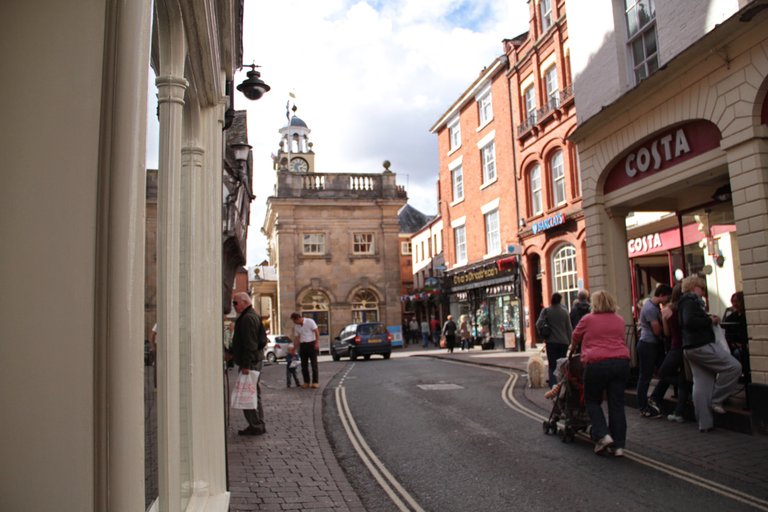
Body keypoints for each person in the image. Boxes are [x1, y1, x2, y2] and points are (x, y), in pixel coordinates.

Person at [570, 290, 630, 457]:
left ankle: (603, 435)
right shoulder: (619, 320)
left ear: (594, 304)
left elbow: (575, 336)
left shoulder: (588, 319)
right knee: (616, 404)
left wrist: (573, 347)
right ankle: (619, 446)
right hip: (621, 362)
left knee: (592, 401)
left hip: (596, 364)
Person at [679, 276, 742, 432]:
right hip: (701, 346)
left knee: (701, 384)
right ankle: (717, 399)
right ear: (695, 287)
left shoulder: (684, 302)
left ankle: (705, 423)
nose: (703, 292)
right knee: (734, 367)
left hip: (690, 347)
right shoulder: (690, 301)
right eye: (701, 288)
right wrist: (710, 321)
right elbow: (690, 321)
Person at [647, 284, 690, 422]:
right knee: (683, 376)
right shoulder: (687, 308)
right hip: (688, 345)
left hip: (676, 346)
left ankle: (682, 389)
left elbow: (666, 332)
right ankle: (679, 411)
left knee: (663, 373)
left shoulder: (667, 310)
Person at [231, 292, 268, 436]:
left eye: (236, 303)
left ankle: (256, 425)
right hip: (254, 361)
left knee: (248, 394)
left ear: (245, 302)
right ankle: (258, 423)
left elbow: (250, 344)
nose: (234, 306)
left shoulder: (247, 318)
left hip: (251, 363)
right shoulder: (251, 315)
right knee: (254, 394)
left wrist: (246, 364)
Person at [636, 283, 673, 418]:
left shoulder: (653, 306)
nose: (668, 300)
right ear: (662, 295)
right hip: (648, 345)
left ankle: (654, 398)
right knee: (645, 377)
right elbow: (656, 330)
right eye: (667, 297)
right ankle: (643, 407)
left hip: (650, 344)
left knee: (665, 372)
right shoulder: (651, 308)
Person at [536, 293, 573, 388]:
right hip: (563, 342)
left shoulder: (546, 311)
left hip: (551, 342)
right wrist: (571, 342)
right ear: (560, 300)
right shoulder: (565, 312)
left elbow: (538, 324)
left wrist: (543, 335)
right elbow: (569, 328)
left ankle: (553, 385)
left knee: (552, 364)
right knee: (562, 364)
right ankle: (562, 384)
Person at [722, 291, 749, 376]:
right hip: (735, 345)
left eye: (737, 301)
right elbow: (728, 333)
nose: (734, 304)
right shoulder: (731, 317)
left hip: (744, 345)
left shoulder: (747, 316)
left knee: (738, 353)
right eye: (733, 302)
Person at [291, 312, 320, 389]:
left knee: (314, 364)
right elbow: (297, 338)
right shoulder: (296, 326)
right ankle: (306, 382)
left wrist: (317, 343)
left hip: (311, 343)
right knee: (304, 365)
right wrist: (294, 348)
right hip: (303, 345)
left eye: (294, 321)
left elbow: (316, 331)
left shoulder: (310, 321)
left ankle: (315, 382)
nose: (294, 323)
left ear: (298, 318)